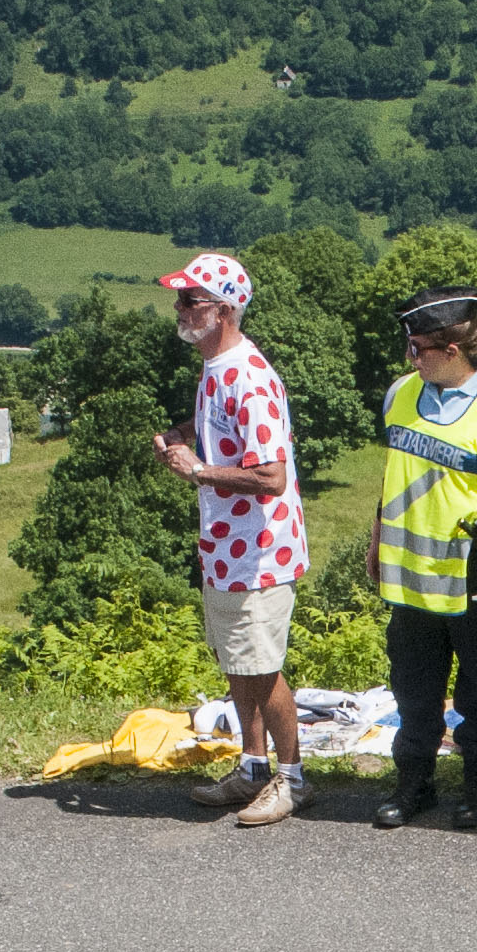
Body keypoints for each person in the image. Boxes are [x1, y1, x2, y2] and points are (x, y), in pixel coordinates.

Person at [369, 288, 477, 833]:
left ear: (452, 349)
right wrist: (376, 540)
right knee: (413, 692)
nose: (411, 358)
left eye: (418, 349)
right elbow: (394, 474)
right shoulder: (400, 394)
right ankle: (413, 783)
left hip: (476, 575)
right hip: (412, 580)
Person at [156, 251, 311, 828]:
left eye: (190, 300)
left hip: (259, 550)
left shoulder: (248, 376)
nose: (179, 308)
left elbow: (270, 475)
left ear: (223, 311)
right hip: (227, 546)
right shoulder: (216, 368)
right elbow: (221, 430)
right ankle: (252, 766)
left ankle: (293, 779)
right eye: (179, 298)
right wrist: (183, 433)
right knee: (238, 661)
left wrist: (199, 469)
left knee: (262, 668)